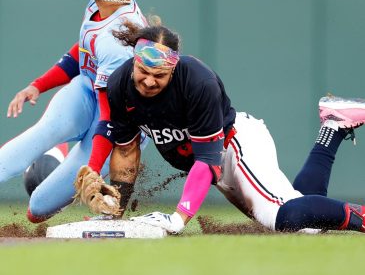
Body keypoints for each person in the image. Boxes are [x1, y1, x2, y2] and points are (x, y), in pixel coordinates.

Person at [74, 23, 365, 234]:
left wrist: (178, 218)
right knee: (304, 226)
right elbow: (125, 151)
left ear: (173, 69)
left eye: (159, 75)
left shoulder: (198, 82)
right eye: (144, 72)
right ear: (134, 62)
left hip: (236, 147)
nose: (150, 81)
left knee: (283, 217)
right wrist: (115, 211)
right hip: (216, 166)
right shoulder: (120, 85)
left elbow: (206, 161)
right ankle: (333, 127)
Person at [0, 0, 153, 222]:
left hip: (116, 125)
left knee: (37, 209)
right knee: (39, 134)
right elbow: (83, 50)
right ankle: (56, 148)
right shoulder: (99, 5)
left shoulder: (121, 37)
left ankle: (60, 161)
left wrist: (93, 169)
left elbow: (109, 117)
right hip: (86, 92)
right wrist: (38, 85)